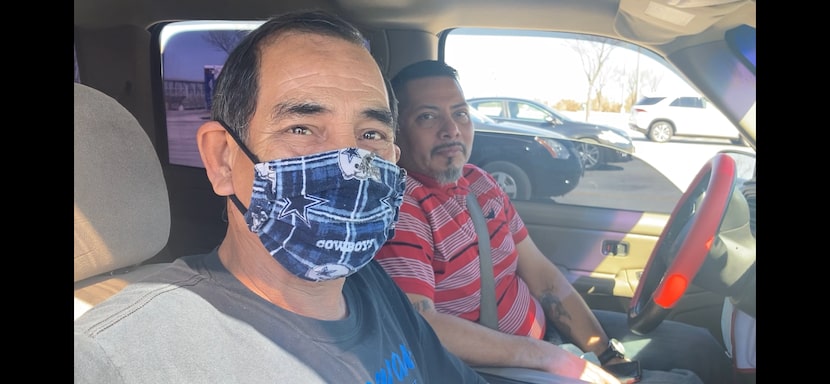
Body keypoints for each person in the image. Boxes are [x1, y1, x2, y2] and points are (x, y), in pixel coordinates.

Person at [73, 12, 488, 383]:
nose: (351, 163)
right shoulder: (122, 357)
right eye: (301, 129)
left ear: (393, 159)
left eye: (371, 135)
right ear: (222, 159)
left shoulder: (372, 285)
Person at [375, 60, 734, 384]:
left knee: (700, 346)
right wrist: (546, 357)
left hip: (545, 341)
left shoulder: (480, 183)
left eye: (460, 113)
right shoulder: (403, 207)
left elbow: (543, 276)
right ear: (398, 134)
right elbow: (422, 323)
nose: (451, 129)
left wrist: (604, 353)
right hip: (494, 367)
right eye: (427, 116)